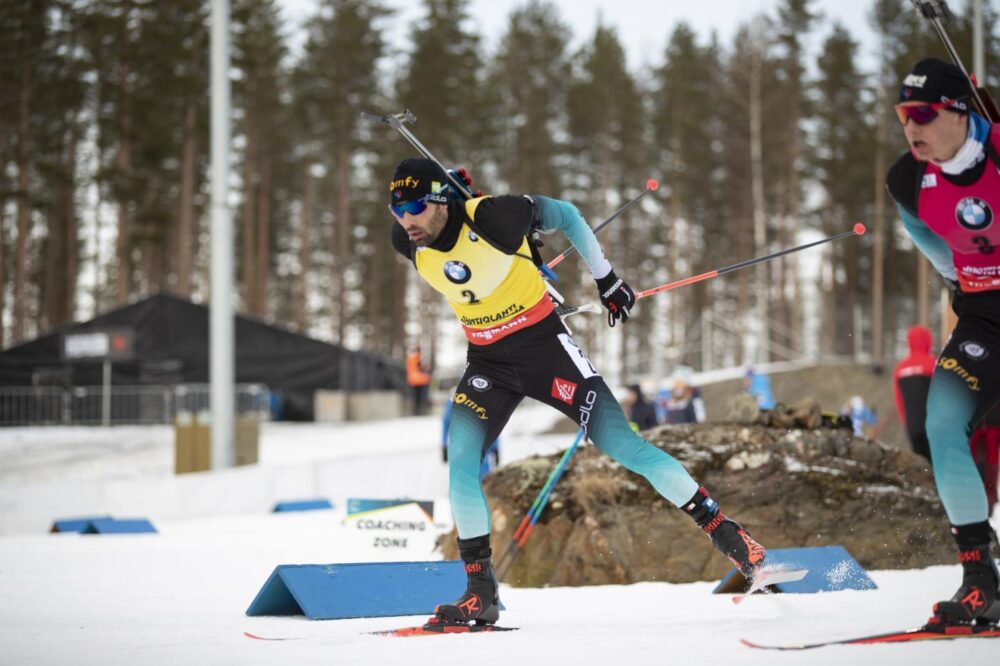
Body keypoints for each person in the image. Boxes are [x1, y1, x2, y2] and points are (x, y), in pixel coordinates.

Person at [388, 157, 768, 626]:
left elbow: (566, 215)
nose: (406, 220)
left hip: (544, 349)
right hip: (487, 362)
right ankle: (480, 593)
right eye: (396, 209)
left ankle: (729, 535)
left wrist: (606, 278)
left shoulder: (493, 216)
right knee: (461, 465)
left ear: (442, 200)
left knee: (623, 444)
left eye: (415, 206)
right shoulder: (407, 241)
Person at [885, 57, 1000, 626]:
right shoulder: (907, 180)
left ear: (959, 112)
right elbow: (935, 247)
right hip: (983, 319)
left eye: (924, 114)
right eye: (904, 114)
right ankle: (981, 578)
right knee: (941, 424)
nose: (912, 126)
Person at [893, 324, 936, 461]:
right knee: (937, 464)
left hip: (912, 427)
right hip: (933, 426)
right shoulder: (934, 364)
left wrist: (907, 422)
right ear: (928, 341)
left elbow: (900, 401)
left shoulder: (900, 369)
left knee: (921, 464)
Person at [406, 346, 432, 416]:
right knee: (422, 398)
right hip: (422, 380)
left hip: (413, 380)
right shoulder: (420, 357)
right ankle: (422, 411)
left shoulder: (410, 358)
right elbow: (422, 368)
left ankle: (415, 412)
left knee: (415, 398)